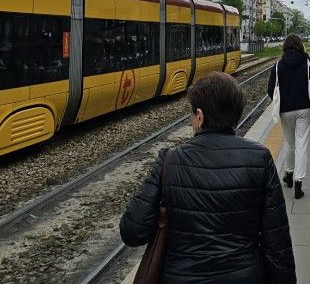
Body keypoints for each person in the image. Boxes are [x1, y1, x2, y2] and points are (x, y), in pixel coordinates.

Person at [119, 72, 296, 284]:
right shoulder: (260, 158)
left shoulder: (169, 161)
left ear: (200, 116)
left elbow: (132, 232)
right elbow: (277, 242)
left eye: (192, 115)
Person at [268, 34, 310, 200]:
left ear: (285, 46)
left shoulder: (278, 65)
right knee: (302, 143)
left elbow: (271, 89)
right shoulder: (308, 62)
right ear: (300, 46)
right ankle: (299, 183)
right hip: (304, 109)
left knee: (289, 143)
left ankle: (288, 175)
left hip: (285, 110)